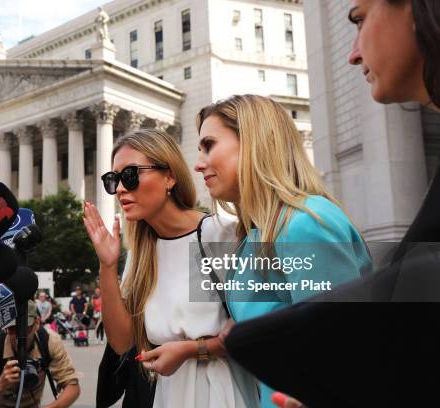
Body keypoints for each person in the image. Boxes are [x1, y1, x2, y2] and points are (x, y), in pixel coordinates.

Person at [220, 1, 440, 407]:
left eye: (359, 19)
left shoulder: (307, 225)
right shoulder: (251, 235)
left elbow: (347, 353)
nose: (352, 52)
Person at [193, 94, 372, 408]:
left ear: (253, 143)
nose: (198, 163)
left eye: (209, 145)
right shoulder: (256, 233)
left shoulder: (304, 224)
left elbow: (341, 350)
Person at [83, 129, 259, 408]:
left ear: (169, 176)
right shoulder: (141, 255)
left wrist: (192, 350)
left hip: (221, 392)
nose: (119, 189)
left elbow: (256, 326)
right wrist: (107, 265)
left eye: (130, 175)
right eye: (113, 179)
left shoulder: (221, 235)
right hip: (163, 395)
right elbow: (122, 342)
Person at [0, 301, 81, 408]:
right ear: (5, 328)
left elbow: (72, 387)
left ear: (37, 323)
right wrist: (0, 385)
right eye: (13, 329)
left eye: (24, 328)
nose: (19, 336)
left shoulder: (49, 340)